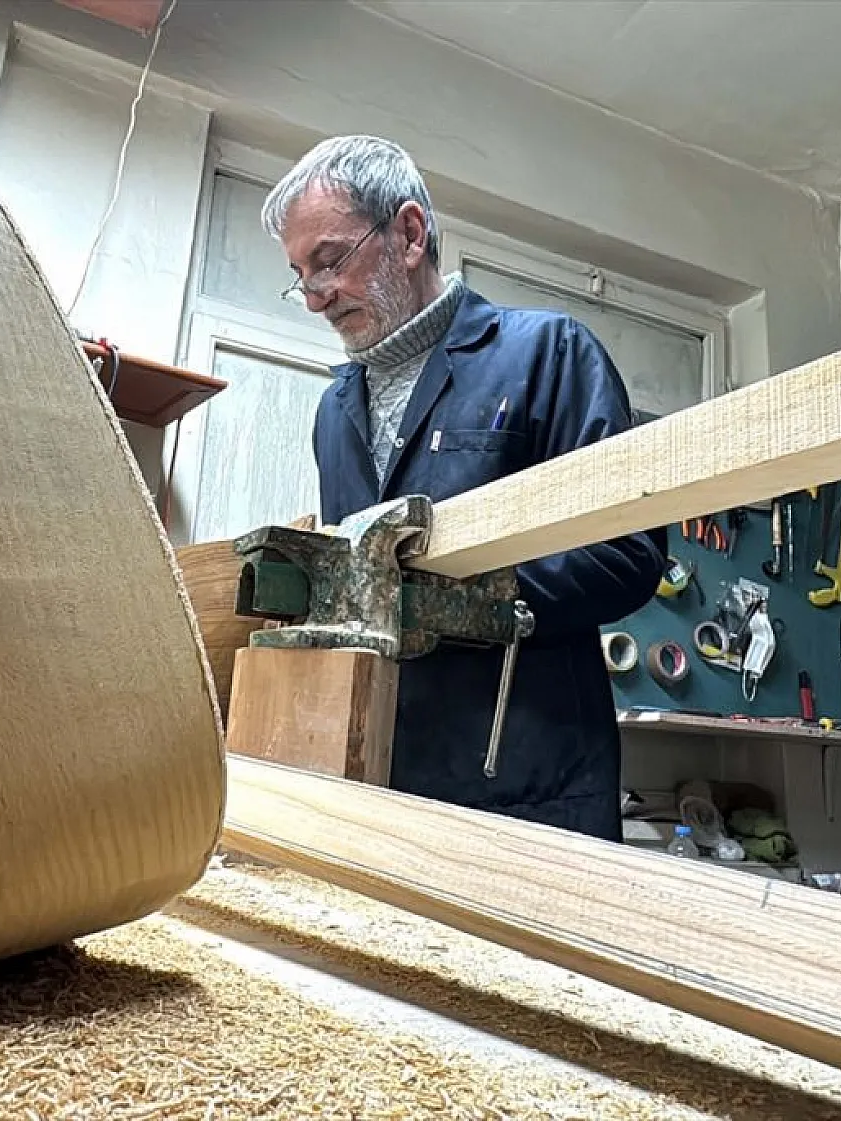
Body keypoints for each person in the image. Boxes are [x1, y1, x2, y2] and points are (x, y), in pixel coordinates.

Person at [259, 135, 667, 842]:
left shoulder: (548, 354)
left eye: (329, 261)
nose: (315, 298)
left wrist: (464, 598)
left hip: (532, 793)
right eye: (301, 275)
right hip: (385, 777)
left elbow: (627, 553)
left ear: (410, 233)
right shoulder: (335, 412)